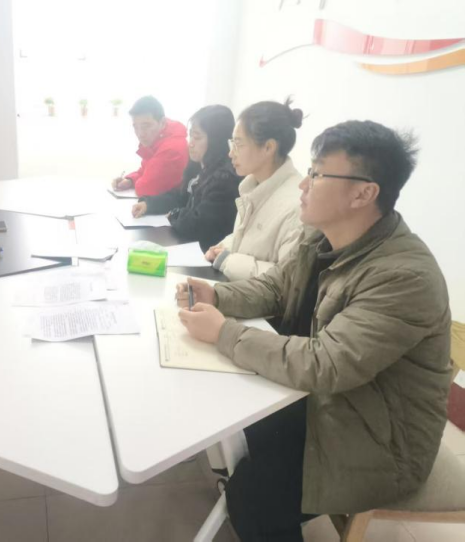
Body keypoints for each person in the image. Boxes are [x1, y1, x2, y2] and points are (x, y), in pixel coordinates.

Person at [176, 120, 451, 541]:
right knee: (230, 414)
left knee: (254, 497)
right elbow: (275, 287)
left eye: (318, 174)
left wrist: (224, 333)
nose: (303, 184)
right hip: (330, 404)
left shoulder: (404, 276)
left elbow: (327, 364)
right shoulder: (321, 236)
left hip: (380, 443)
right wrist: (217, 295)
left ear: (363, 194)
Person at [205, 99, 305, 281]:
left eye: (238, 144)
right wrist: (224, 246)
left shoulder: (298, 206)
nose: (231, 153)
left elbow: (286, 278)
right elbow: (249, 239)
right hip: (238, 289)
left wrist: (228, 261)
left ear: (268, 147)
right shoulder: (253, 186)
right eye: (232, 143)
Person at [130, 105, 242, 251]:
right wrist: (149, 204)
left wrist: (175, 214)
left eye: (197, 137)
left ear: (216, 140)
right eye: (191, 136)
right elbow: (181, 197)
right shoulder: (198, 165)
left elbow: (199, 224)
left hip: (206, 254)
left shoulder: (225, 180)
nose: (191, 143)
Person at [111, 95, 189, 197]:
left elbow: (146, 188)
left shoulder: (171, 149)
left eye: (145, 126)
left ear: (162, 123)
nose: (140, 134)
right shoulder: (158, 141)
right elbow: (145, 171)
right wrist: (130, 180)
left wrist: (138, 181)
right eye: (136, 127)